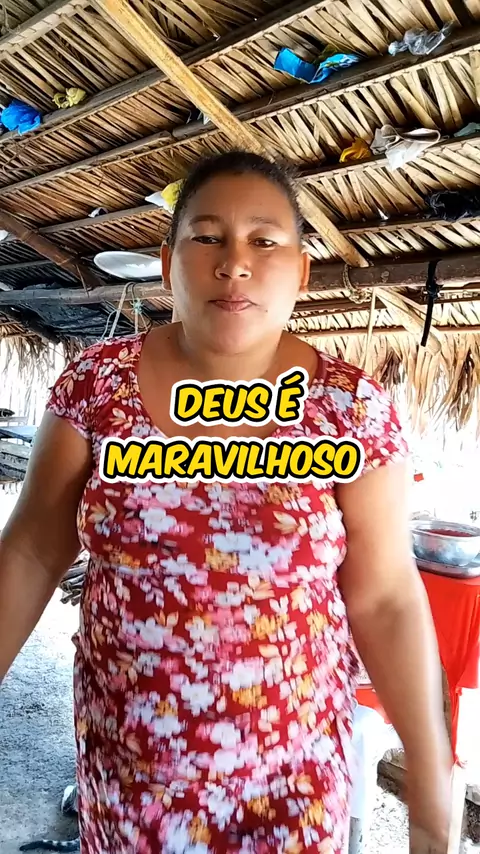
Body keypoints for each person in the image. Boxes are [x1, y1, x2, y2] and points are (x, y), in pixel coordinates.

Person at [0, 151, 452, 854]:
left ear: (300, 271)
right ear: (166, 263)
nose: (234, 263)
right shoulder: (96, 388)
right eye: (207, 237)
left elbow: (386, 595)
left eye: (264, 241)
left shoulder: (350, 409)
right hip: (130, 782)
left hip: (292, 790)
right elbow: (31, 550)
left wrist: (429, 768)